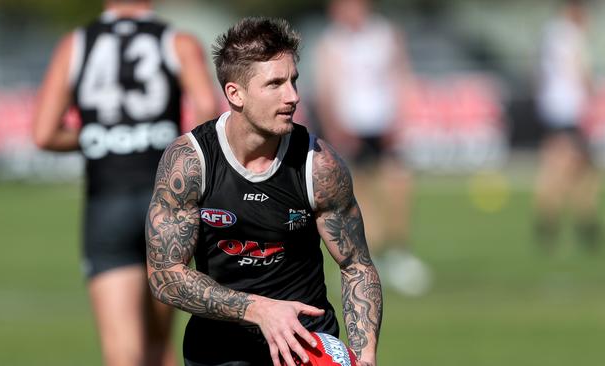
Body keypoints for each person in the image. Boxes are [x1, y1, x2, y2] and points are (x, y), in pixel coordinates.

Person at [145, 17, 382, 366]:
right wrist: (259, 309)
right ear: (235, 93)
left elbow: (356, 265)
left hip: (307, 345)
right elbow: (165, 276)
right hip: (220, 349)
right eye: (275, 84)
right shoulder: (190, 162)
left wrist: (364, 356)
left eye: (294, 81)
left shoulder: (318, 164)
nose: (293, 97)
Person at [32, 1, 219, 365]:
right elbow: (208, 113)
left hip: (107, 201)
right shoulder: (177, 41)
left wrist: (103, 135)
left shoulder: (76, 44)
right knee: (159, 345)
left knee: (122, 352)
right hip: (166, 202)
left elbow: (44, 134)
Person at [314, 0, 429, 296]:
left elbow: (401, 75)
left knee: (398, 184)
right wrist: (335, 126)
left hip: (384, 122)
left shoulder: (385, 34)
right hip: (351, 125)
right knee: (360, 192)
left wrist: (402, 117)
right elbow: (326, 88)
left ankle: (398, 248)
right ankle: (373, 253)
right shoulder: (331, 42)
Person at [534, 0, 600, 250]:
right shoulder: (570, 34)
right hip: (568, 109)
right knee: (567, 170)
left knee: (572, 169)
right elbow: (579, 70)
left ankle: (573, 224)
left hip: (553, 107)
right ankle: (558, 225)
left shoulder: (551, 32)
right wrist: (593, 94)